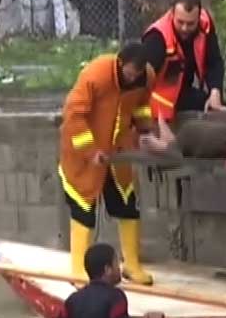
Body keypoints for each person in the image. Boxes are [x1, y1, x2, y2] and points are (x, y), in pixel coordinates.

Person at [59, 42, 155, 285]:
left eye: (138, 73)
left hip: (118, 154)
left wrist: (145, 131)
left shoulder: (147, 77)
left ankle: (131, 265)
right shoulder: (95, 75)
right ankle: (79, 270)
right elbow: (74, 115)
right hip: (83, 156)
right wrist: (91, 151)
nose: (133, 77)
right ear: (120, 63)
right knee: (84, 208)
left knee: (127, 205)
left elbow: (142, 105)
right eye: (130, 72)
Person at [48, 243, 164, 318]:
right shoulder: (115, 296)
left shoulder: (73, 299)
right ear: (107, 269)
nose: (119, 269)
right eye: (117, 264)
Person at [142, 0, 226, 122]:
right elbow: (141, 80)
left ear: (198, 18)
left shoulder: (205, 25)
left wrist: (215, 91)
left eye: (190, 24)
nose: (185, 28)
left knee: (218, 111)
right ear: (172, 14)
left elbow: (214, 62)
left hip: (184, 92)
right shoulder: (157, 38)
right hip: (159, 101)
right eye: (180, 22)